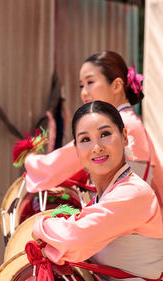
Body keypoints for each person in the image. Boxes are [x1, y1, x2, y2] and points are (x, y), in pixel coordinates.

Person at [33, 101, 163, 280]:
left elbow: (75, 239)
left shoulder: (134, 193)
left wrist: (40, 225)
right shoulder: (103, 196)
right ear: (77, 150)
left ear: (124, 136)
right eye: (85, 139)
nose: (97, 147)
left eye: (105, 134)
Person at [24, 51, 163, 213]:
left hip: (131, 227)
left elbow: (53, 166)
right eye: (81, 85)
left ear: (117, 85)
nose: (84, 92)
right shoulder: (130, 120)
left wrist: (31, 160)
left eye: (90, 82)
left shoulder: (118, 123)